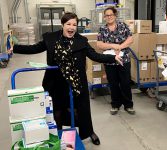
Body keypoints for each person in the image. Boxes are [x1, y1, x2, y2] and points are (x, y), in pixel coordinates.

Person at [8, 12, 123, 145]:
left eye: (74, 24)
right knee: (57, 109)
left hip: (76, 82)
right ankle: (56, 133)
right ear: (62, 24)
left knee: (81, 110)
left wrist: (112, 57)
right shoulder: (51, 38)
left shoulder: (82, 41)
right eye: (68, 24)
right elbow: (34, 48)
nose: (72, 27)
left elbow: (94, 56)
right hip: (55, 82)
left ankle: (88, 131)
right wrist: (15, 48)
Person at [97, 6, 135, 115]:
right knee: (113, 83)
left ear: (115, 15)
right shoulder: (102, 29)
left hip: (124, 59)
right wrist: (113, 46)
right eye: (106, 15)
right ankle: (115, 105)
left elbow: (130, 39)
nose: (109, 17)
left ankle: (128, 105)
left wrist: (120, 47)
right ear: (104, 17)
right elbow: (99, 44)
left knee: (125, 83)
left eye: (111, 15)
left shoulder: (123, 26)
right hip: (109, 61)